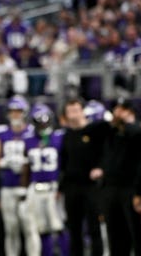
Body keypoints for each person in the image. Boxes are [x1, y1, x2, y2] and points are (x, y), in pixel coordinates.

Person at [0, 95, 40, 256]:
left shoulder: (33, 132)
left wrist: (27, 161)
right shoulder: (1, 133)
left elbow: (42, 154)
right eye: (12, 111)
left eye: (18, 111)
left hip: (28, 187)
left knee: (31, 227)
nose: (15, 115)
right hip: (8, 186)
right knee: (11, 229)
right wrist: (4, 162)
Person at [58, 99, 105, 256]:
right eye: (70, 111)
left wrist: (101, 168)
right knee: (74, 229)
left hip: (90, 186)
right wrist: (60, 187)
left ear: (83, 111)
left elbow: (106, 153)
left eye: (76, 110)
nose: (73, 115)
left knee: (94, 228)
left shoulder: (95, 131)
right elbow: (63, 162)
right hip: (72, 187)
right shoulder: (66, 135)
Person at [22, 104, 68, 256]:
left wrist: (62, 186)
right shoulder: (28, 140)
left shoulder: (60, 137)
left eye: (45, 121)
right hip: (36, 188)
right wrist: (24, 190)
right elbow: (26, 167)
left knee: (60, 225)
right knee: (42, 227)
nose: (43, 125)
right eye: (39, 122)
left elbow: (65, 165)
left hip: (55, 187)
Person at [96, 98, 141, 256]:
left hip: (131, 190)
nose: (116, 113)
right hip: (111, 190)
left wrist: (138, 192)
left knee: (136, 235)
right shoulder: (112, 134)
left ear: (130, 112)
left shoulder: (136, 132)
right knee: (115, 238)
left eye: (121, 110)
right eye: (115, 109)